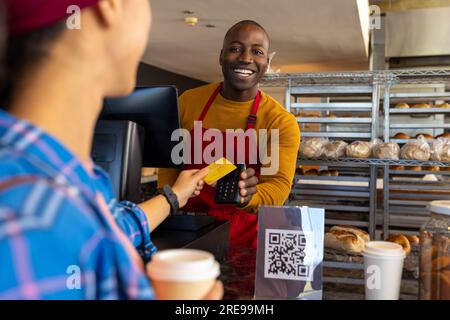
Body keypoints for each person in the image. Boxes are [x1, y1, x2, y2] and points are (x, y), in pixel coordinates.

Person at [0, 0, 222, 299]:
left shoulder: (61, 186)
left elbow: (106, 229)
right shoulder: (32, 220)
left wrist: (175, 196)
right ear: (110, 7)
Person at [158, 20, 300, 249]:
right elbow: (168, 165)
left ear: (267, 63)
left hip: (245, 243)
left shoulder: (279, 121)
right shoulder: (188, 102)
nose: (246, 58)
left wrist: (247, 197)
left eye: (257, 51)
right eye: (235, 48)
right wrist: (169, 204)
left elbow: (278, 186)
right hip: (188, 235)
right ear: (221, 57)